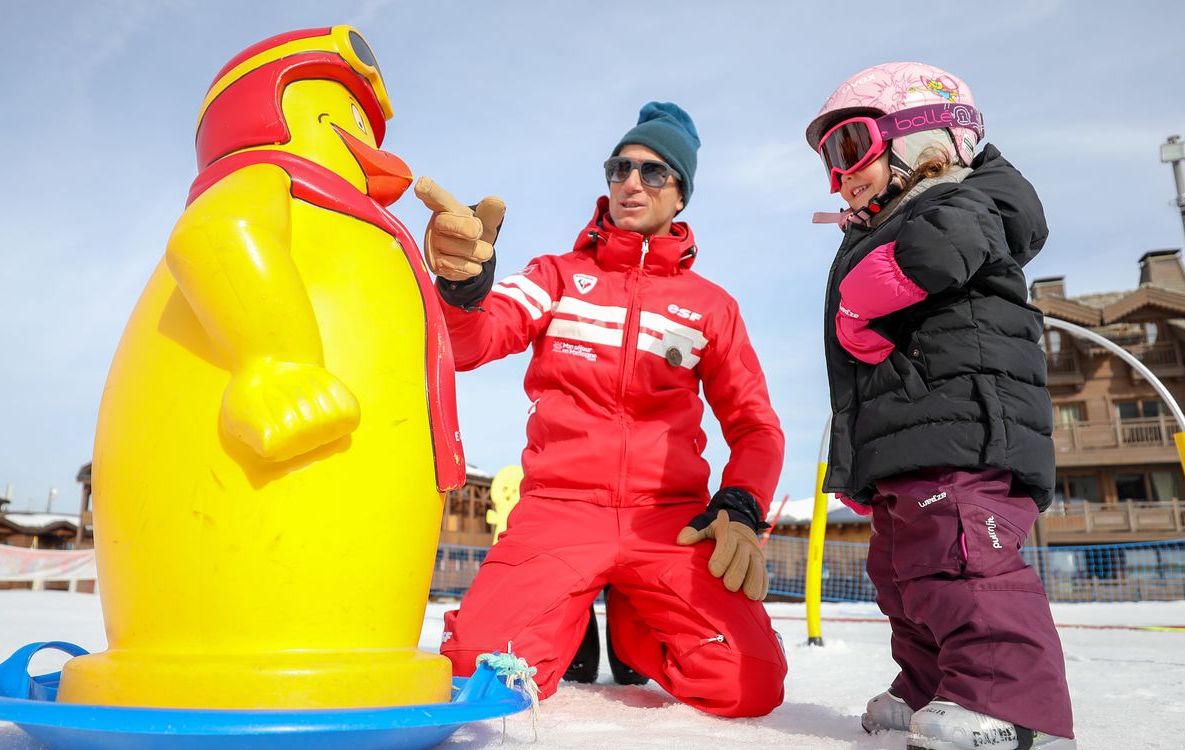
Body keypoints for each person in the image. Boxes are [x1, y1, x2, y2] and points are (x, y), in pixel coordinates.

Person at [414, 101, 788, 717]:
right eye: (620, 168)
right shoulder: (556, 277)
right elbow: (472, 343)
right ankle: (571, 611)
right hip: (561, 510)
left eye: (653, 173)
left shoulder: (711, 306)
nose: (631, 183)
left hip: (669, 521)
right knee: (477, 678)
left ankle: (635, 626)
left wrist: (742, 503)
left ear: (681, 196)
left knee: (747, 685)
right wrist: (460, 289)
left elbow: (755, 425)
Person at [804, 63, 1075, 748]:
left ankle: (1007, 703)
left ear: (924, 141)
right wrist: (866, 464)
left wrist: (873, 285)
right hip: (913, 443)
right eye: (829, 162)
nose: (841, 176)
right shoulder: (894, 218)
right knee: (903, 577)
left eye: (850, 148)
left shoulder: (968, 201)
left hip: (963, 436)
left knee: (961, 563)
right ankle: (932, 685)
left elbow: (944, 247)